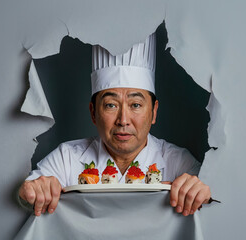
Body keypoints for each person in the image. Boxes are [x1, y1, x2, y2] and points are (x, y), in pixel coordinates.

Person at [18, 33, 211, 217]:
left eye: (135, 105)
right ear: (93, 112)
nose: (123, 120)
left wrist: (201, 192)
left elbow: (210, 200)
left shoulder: (179, 163)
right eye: (111, 105)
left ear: (154, 112)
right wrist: (31, 192)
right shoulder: (67, 158)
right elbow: (25, 198)